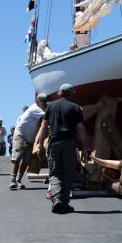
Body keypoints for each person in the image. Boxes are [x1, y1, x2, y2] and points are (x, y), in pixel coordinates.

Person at [39, 84, 89, 214]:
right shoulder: (75, 108)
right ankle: (64, 202)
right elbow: (81, 129)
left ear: (60, 93)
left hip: (54, 143)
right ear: (71, 93)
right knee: (69, 173)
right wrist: (84, 148)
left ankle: (56, 200)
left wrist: (39, 144)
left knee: (55, 173)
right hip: (69, 143)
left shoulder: (50, 106)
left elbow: (44, 127)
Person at [9, 93, 48, 190]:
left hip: (30, 138)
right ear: (38, 101)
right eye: (44, 102)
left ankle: (18, 180)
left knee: (26, 161)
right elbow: (47, 117)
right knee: (17, 158)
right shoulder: (35, 108)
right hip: (21, 135)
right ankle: (12, 181)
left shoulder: (39, 109)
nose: (45, 104)